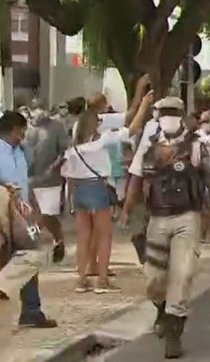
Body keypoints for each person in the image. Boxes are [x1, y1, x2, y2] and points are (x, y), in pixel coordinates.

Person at [123, 96, 210, 359]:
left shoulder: (198, 144)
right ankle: (162, 309)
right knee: (153, 279)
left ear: (182, 114)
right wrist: (127, 209)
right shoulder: (149, 144)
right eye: (163, 112)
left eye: (172, 112)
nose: (167, 116)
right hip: (157, 218)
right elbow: (136, 177)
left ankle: (173, 333)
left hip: (188, 218)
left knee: (182, 274)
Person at [63, 92, 152, 294]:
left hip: (79, 191)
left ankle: (82, 279)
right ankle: (102, 279)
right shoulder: (102, 140)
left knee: (83, 236)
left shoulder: (75, 147)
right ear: (95, 125)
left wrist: (69, 199)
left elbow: (69, 175)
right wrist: (144, 105)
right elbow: (132, 129)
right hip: (97, 187)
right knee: (104, 235)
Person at [0, 111, 57, 329]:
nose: (24, 135)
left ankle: (31, 310)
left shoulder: (21, 151)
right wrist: (3, 185)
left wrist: (35, 209)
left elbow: (25, 181)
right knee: (2, 259)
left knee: (34, 253)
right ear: (14, 130)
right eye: (22, 130)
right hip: (5, 215)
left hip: (25, 214)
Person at [24, 110, 70, 265]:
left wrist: (55, 167)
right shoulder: (25, 127)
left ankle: (59, 240)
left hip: (50, 181)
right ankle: (31, 248)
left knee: (48, 216)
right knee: (31, 217)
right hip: (29, 180)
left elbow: (65, 151)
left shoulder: (57, 126)